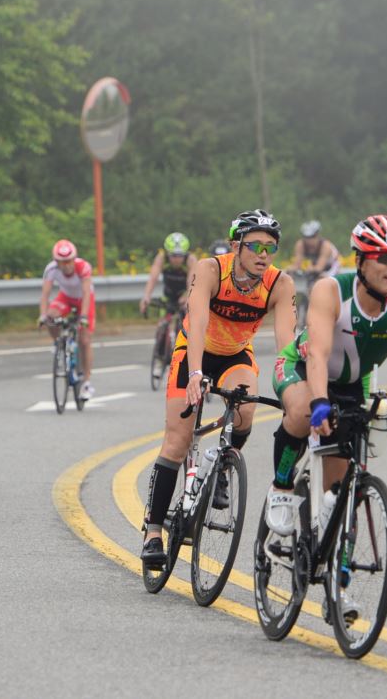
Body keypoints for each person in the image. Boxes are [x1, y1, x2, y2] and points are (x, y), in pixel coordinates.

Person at [267, 214, 387, 619]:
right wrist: (317, 402)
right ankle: (280, 488)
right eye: (383, 257)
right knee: (298, 412)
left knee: (341, 490)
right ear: (361, 261)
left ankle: (337, 585)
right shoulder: (332, 290)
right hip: (301, 368)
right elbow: (316, 352)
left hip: (351, 384)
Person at [141, 210, 297, 569]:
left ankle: (221, 465)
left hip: (235, 355)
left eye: (270, 248)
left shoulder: (279, 283)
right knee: (178, 441)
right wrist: (195, 372)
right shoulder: (212, 270)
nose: (263, 254)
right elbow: (196, 321)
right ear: (235, 245)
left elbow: (286, 344)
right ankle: (153, 531)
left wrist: (293, 390)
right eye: (255, 246)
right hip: (193, 351)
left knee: (245, 410)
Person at [38, 239, 95, 400]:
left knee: (85, 339)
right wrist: (43, 315)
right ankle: (58, 343)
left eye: (69, 261)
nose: (67, 265)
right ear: (57, 261)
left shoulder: (83, 267)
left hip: (84, 300)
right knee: (51, 316)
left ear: (74, 258)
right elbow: (45, 295)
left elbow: (85, 294)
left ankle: (87, 383)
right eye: (62, 262)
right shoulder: (51, 269)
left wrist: (83, 317)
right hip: (66, 298)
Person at [139, 232, 198, 316]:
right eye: (173, 255)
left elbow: (193, 282)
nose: (177, 259)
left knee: (187, 320)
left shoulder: (191, 260)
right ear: (167, 252)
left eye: (180, 255)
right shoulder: (162, 258)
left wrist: (188, 297)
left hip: (185, 292)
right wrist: (146, 296)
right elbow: (153, 278)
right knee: (164, 320)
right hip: (168, 295)